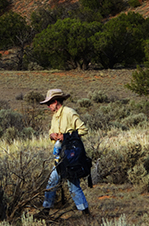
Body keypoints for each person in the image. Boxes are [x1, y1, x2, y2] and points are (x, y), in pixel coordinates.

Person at [36, 88, 90, 218]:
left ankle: (85, 213)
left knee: (70, 183)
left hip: (70, 153)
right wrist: (52, 135)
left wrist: (66, 136)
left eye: (49, 103)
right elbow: (52, 131)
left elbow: (83, 129)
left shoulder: (69, 113)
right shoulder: (55, 116)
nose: (48, 106)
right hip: (60, 154)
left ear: (55, 102)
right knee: (55, 182)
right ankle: (84, 213)